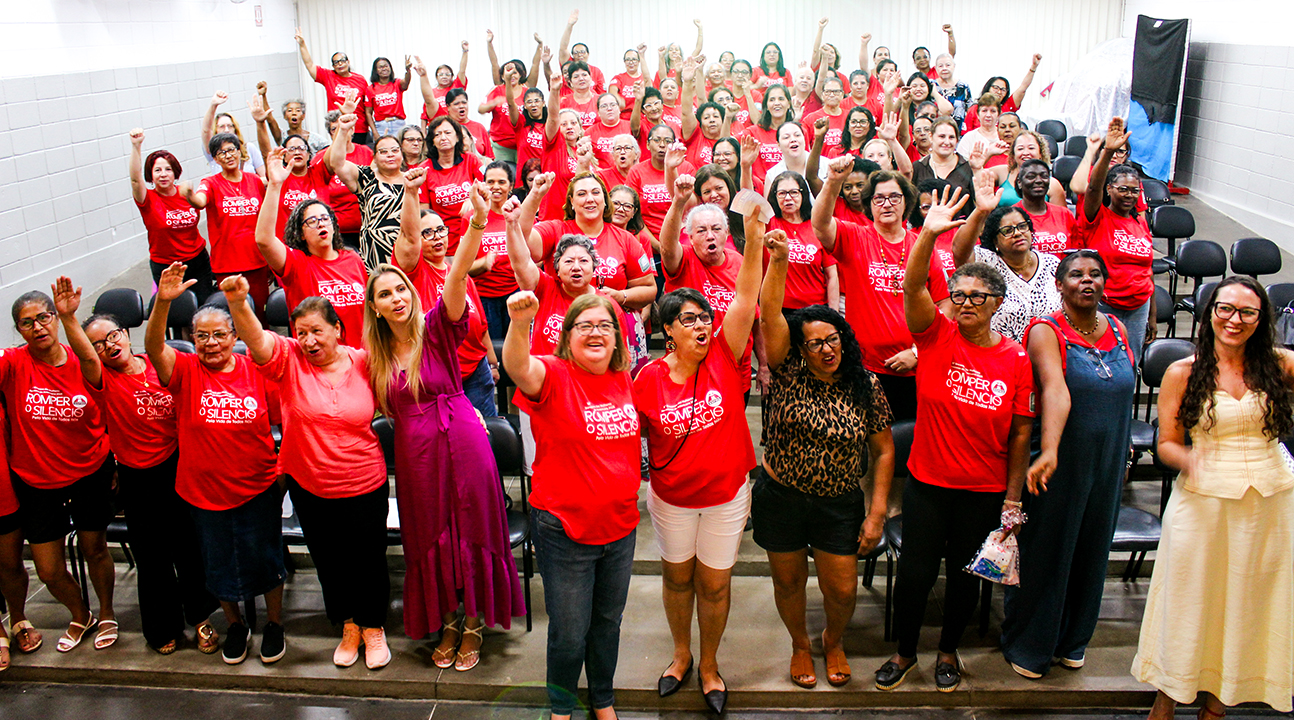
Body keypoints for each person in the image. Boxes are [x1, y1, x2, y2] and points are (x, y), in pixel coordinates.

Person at [876, 186, 1034, 693]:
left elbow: (1021, 432)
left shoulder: (1016, 360)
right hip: (928, 485)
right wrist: (927, 235)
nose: (965, 303)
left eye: (977, 296)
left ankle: (948, 652)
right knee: (916, 575)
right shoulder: (935, 337)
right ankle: (905, 653)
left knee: (966, 577)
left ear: (997, 303)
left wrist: (1012, 497)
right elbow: (911, 286)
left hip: (983, 491)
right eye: (959, 295)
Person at [364, 177, 524, 668]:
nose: (396, 298)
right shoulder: (374, 357)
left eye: (401, 289)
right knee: (429, 533)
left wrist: (476, 223)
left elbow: (455, 279)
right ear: (374, 307)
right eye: (385, 293)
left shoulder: (435, 329)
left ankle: (473, 623)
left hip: (463, 437)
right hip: (415, 454)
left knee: (471, 525)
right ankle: (448, 620)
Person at [1134, 277, 1294, 717]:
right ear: (1210, 314)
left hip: (1268, 500)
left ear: (1261, 319)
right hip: (1203, 501)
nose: (1234, 320)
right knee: (1188, 600)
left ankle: (1218, 705)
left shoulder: (1279, 364)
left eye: (1247, 312)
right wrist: (1191, 460)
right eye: (1225, 309)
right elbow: (1167, 444)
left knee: (1246, 602)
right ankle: (1167, 698)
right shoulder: (1183, 371)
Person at [220, 273, 393, 670]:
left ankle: (373, 626)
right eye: (301, 333)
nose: (309, 340)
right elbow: (258, 341)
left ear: (338, 329)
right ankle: (349, 624)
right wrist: (238, 303)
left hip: (364, 481)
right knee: (329, 561)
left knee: (368, 558)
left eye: (317, 331)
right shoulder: (290, 360)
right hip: (311, 485)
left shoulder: (365, 362)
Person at [756, 221, 895, 689]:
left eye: (832, 338)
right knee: (788, 583)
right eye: (814, 343)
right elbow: (770, 314)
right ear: (801, 348)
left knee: (841, 588)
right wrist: (779, 260)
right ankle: (800, 644)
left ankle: (833, 640)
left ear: (843, 338)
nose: (826, 348)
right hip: (781, 497)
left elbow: (884, 451)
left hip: (838, 503)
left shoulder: (865, 384)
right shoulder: (787, 371)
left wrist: (876, 513)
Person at [636, 209, 764, 714]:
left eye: (704, 317)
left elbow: (747, 296)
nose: (701, 325)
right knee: (676, 579)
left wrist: (754, 238)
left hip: (726, 497)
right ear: (668, 330)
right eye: (688, 319)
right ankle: (681, 654)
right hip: (671, 500)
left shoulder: (726, 355)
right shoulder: (647, 378)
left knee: (714, 583)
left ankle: (709, 664)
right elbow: (628, 439)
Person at [52, 278, 220, 656]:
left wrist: (164, 300)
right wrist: (68, 319)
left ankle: (201, 617)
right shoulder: (102, 379)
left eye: (112, 336)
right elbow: (87, 358)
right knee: (152, 556)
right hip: (138, 477)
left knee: (189, 548)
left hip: (179, 467)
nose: (108, 346)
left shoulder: (159, 363)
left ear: (126, 335)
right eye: (98, 343)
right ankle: (163, 627)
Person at [503, 289, 638, 720]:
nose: (596, 333)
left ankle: (602, 699)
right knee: (569, 633)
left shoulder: (624, 379)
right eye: (585, 325)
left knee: (608, 624)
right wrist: (520, 323)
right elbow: (518, 366)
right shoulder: (554, 374)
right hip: (565, 532)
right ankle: (562, 707)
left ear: (617, 337)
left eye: (604, 326)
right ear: (567, 336)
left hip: (620, 528)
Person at [1000, 250, 1135, 679]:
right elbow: (1055, 390)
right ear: (1059, 285)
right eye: (1076, 274)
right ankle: (1031, 645)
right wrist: (1051, 450)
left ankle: (1073, 641)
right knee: (1049, 552)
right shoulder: (1046, 330)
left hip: (1107, 462)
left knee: (1092, 551)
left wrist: (1125, 447)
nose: (1087, 280)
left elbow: (1124, 393)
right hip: (1059, 463)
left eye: (1095, 274)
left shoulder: (1118, 328)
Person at [145, 264, 285, 666]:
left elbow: (285, 422)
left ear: (235, 337)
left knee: (267, 560)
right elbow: (154, 347)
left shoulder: (257, 371)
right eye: (202, 336)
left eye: (219, 334)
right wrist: (163, 303)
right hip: (203, 493)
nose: (210, 343)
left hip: (257, 487)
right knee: (217, 565)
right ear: (192, 340)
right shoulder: (184, 371)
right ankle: (236, 625)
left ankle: (274, 624)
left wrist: (281, 475)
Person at [1, 292, 114, 654]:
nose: (37, 327)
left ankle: (107, 613)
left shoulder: (81, 359)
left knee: (95, 549)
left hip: (89, 471)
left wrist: (68, 316)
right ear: (18, 329)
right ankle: (81, 614)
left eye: (43, 317)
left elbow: (92, 363)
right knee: (48, 569)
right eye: (27, 322)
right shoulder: (13, 363)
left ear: (54, 318)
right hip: (36, 480)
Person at [812, 157, 952, 421]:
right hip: (866, 367)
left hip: (916, 368)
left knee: (910, 437)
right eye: (879, 198)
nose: (887, 204)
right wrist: (833, 181)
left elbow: (944, 304)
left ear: (906, 203)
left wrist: (918, 352)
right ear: (869, 205)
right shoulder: (855, 237)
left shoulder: (922, 246)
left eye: (894, 197)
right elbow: (820, 225)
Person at [395, 170, 499, 417]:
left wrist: (493, 364)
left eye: (440, 230)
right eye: (427, 233)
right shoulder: (413, 272)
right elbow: (408, 238)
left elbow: (481, 326)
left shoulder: (460, 274)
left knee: (487, 435)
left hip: (476, 373)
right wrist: (411, 192)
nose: (437, 238)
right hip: (436, 376)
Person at [661, 176, 765, 396]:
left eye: (716, 229)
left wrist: (763, 364)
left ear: (726, 233)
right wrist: (678, 202)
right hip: (691, 371)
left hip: (735, 371)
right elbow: (667, 248)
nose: (710, 236)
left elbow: (754, 318)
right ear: (690, 237)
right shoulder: (684, 259)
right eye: (701, 231)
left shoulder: (739, 262)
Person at [254, 147, 368, 347]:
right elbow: (264, 239)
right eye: (312, 221)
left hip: (359, 356)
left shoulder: (353, 259)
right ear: (300, 233)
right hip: (316, 357)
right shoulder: (296, 263)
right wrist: (275, 185)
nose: (321, 224)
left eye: (325, 218)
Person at [521, 173, 657, 316]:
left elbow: (649, 290)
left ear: (605, 200)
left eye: (596, 192)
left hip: (608, 323)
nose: (590, 199)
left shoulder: (626, 239)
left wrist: (620, 296)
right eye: (581, 194)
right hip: (560, 322)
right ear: (571, 201)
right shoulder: (555, 230)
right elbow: (521, 239)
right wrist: (535, 195)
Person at [950, 170, 1062, 342]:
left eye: (1022, 227)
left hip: (1051, 348)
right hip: (1001, 351)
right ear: (995, 240)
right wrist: (981, 211)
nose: (1017, 233)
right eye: (1008, 230)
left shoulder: (1052, 263)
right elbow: (959, 250)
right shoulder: (986, 262)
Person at [1079, 118, 1156, 365]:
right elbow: (1092, 189)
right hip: (1105, 303)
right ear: (1109, 189)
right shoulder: (1098, 217)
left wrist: (1152, 315)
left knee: (1130, 364)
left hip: (1139, 307)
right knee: (1100, 362)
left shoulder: (1140, 223)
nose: (1129, 195)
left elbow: (1148, 271)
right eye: (1122, 189)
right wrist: (1108, 152)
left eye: (1134, 190)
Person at [182, 132, 269, 321]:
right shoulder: (210, 183)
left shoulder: (254, 180)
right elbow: (200, 201)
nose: (228, 155)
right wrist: (189, 195)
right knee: (231, 317)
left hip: (257, 261)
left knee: (259, 316)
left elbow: (265, 217)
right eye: (222, 153)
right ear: (215, 159)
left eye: (231, 150)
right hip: (227, 264)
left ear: (240, 152)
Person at [129, 129, 214, 303]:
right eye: (157, 170)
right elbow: (135, 181)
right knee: (177, 310)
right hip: (167, 266)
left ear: (175, 172)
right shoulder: (148, 199)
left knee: (204, 306)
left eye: (168, 169)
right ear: (151, 175)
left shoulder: (185, 193)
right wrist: (136, 146)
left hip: (197, 260)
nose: (163, 174)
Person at [327, 96, 406, 271]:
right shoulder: (367, 177)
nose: (390, 154)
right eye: (383, 152)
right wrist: (343, 129)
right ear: (374, 158)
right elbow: (337, 163)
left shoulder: (412, 180)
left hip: (406, 253)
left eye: (395, 150)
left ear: (402, 154)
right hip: (374, 256)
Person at [249, 105, 336, 237]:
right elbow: (266, 153)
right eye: (291, 149)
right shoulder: (279, 176)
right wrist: (260, 123)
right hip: (287, 243)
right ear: (284, 156)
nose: (297, 152)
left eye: (301, 148)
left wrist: (343, 127)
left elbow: (334, 152)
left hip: (318, 240)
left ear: (309, 154)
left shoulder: (319, 172)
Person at [767, 171, 838, 310]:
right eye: (782, 193)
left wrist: (833, 313)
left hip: (815, 308)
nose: (788, 198)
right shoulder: (768, 223)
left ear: (803, 194)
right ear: (774, 196)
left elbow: (832, 274)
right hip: (778, 308)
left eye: (794, 192)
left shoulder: (817, 226)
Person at [473, 161, 522, 340]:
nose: (495, 187)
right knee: (492, 349)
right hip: (484, 298)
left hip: (515, 295)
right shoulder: (472, 218)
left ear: (511, 186)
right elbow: (462, 268)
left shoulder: (519, 215)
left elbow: (534, 259)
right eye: (490, 182)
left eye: (501, 182)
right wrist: (483, 263)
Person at [296, 29, 371, 145]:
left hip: (359, 128)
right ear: (333, 66)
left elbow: (368, 105)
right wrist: (302, 44)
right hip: (338, 126)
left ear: (348, 62)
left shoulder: (360, 79)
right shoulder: (328, 76)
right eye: (336, 62)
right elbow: (309, 65)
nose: (340, 64)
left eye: (342, 61)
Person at [418, 116, 484, 242]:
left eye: (448, 133)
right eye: (437, 134)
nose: (443, 137)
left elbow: (488, 187)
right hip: (443, 237)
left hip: (474, 232)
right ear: (432, 141)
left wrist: (474, 199)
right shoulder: (424, 169)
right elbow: (424, 213)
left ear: (457, 137)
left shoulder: (471, 160)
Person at [481, 31, 543, 162]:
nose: (512, 75)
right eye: (508, 72)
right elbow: (494, 63)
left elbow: (535, 65)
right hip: (500, 145)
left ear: (521, 75)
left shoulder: (527, 91)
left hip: (523, 144)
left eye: (515, 72)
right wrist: (489, 43)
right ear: (503, 76)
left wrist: (540, 45)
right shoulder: (497, 89)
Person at [628, 127, 696, 238]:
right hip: (646, 239)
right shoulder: (636, 171)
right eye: (657, 140)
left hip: (681, 238)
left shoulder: (686, 168)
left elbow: (690, 208)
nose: (662, 145)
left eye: (668, 141)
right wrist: (656, 244)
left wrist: (671, 243)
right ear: (647, 144)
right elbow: (634, 214)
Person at [321, 110, 374, 250]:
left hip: (367, 227)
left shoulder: (367, 153)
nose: (341, 131)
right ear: (330, 134)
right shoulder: (322, 158)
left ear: (353, 129)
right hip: (337, 232)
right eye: (335, 129)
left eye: (344, 127)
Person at [964, 55, 1042, 133]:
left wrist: (1033, 67)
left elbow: (1023, 88)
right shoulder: (974, 109)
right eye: (996, 87)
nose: (999, 92)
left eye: (1003, 89)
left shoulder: (1007, 107)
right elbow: (965, 134)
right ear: (988, 88)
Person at [1012, 159, 1074, 257]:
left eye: (1044, 176)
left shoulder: (1065, 214)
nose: (1038, 180)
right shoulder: (1011, 216)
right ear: (1019, 182)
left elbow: (1076, 252)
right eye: (1031, 177)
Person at [989, 131, 1068, 208]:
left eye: (1031, 148)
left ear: (1040, 153)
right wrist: (988, 154)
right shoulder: (1002, 172)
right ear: (1013, 154)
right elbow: (980, 179)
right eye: (1020, 149)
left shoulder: (1053, 184)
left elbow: (1061, 215)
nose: (1026, 153)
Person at [911, 118, 974, 211]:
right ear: (931, 136)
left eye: (951, 137)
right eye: (942, 136)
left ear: (957, 140)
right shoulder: (918, 167)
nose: (947, 142)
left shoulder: (968, 167)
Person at [199, 92, 266, 179]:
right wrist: (213, 105)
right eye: (221, 127)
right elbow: (206, 131)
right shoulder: (213, 152)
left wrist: (250, 183)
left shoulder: (248, 148)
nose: (226, 130)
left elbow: (265, 177)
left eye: (230, 126)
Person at [742, 84, 796, 188]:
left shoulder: (798, 132)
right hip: (760, 190)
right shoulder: (753, 132)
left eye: (781, 99)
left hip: (789, 189)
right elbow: (728, 143)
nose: (776, 103)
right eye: (772, 100)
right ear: (766, 106)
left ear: (789, 104)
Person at [416, 44, 470, 123]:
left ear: (452, 76)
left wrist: (465, 51)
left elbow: (462, 70)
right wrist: (423, 130)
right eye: (441, 74)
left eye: (447, 74)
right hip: (437, 124)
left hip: (456, 124)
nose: (444, 77)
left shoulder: (456, 88)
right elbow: (425, 114)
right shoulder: (431, 93)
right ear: (436, 77)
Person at [368, 55, 412, 138]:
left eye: (386, 66)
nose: (384, 69)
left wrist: (408, 71)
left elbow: (405, 83)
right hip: (381, 125)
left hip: (398, 124)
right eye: (380, 67)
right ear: (376, 70)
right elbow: (368, 113)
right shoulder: (371, 89)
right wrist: (374, 132)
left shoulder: (396, 83)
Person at [956, 95, 1007, 167]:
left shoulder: (1005, 136)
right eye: (984, 111)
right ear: (978, 115)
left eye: (993, 111)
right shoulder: (969, 138)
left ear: (998, 115)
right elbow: (961, 167)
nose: (988, 115)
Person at [586, 93, 632, 167]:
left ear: (619, 109)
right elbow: (587, 159)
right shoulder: (590, 132)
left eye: (613, 105)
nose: (609, 109)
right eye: (604, 106)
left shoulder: (631, 127)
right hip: (600, 172)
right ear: (598, 112)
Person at [930, 54, 972, 130]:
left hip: (959, 130)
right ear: (936, 68)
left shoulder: (962, 86)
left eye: (948, 65)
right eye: (940, 66)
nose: (944, 68)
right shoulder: (931, 85)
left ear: (954, 66)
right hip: (935, 130)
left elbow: (970, 110)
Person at [609, 45, 651, 118]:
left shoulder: (643, 79)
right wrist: (619, 101)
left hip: (641, 116)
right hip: (623, 117)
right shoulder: (619, 78)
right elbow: (612, 92)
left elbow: (650, 92)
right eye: (628, 60)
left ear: (639, 61)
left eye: (634, 59)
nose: (631, 62)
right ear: (624, 62)